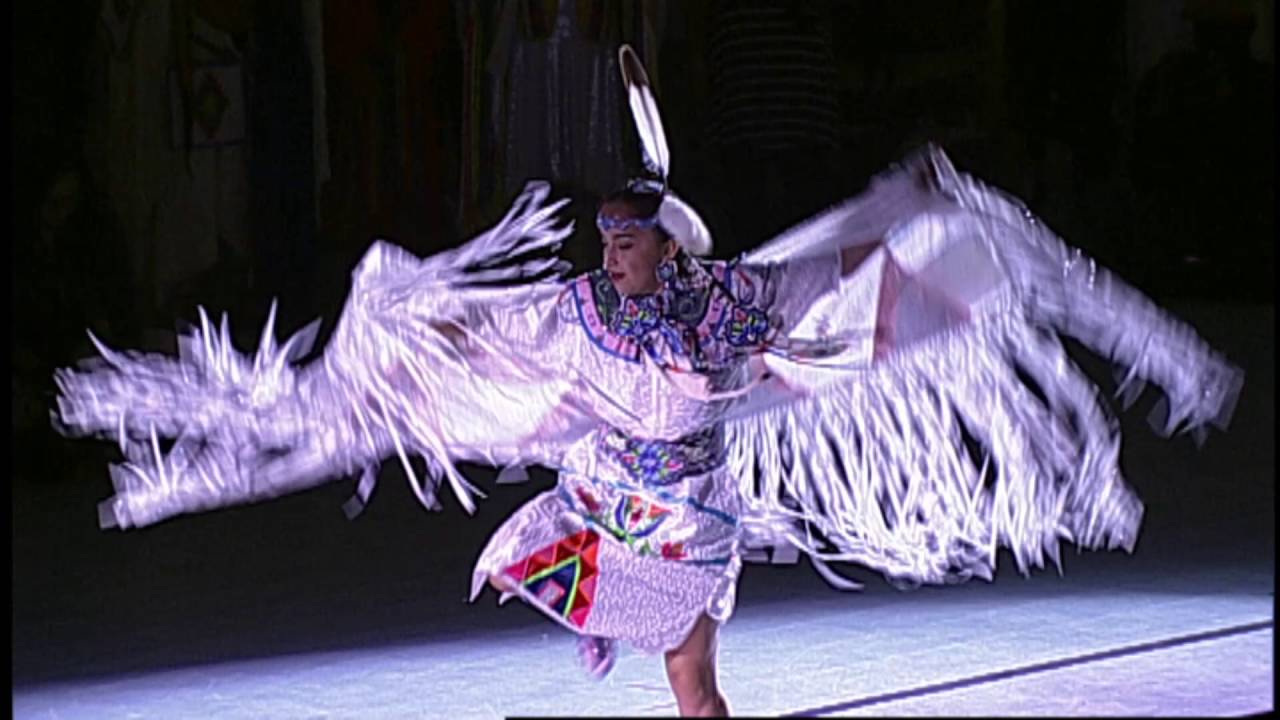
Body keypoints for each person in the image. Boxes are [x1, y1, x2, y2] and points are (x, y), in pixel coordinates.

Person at [53, 47, 1241, 717]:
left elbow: (840, 270)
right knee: (519, 557)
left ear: (672, 251)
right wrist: (409, 314)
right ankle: (614, 616)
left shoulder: (736, 302)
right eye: (605, 239)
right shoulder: (576, 308)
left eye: (627, 240)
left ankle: (648, 629)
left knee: (691, 680)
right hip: (594, 498)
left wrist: (912, 211)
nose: (606, 252)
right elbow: (485, 332)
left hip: (688, 530)